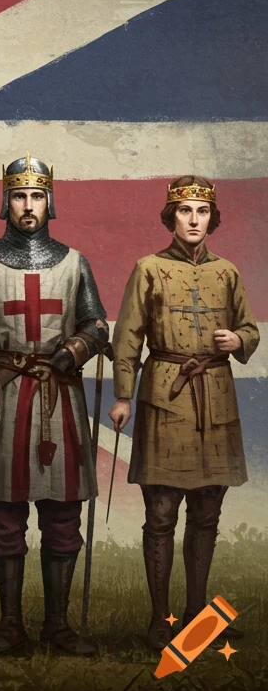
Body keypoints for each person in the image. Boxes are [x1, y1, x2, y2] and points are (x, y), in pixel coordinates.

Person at [0, 154, 106, 657]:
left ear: (49, 202)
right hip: (1, 397)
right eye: (19, 195)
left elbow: (97, 325)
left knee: (62, 514)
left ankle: (58, 625)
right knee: (4, 512)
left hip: (59, 397)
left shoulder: (74, 261)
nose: (28, 205)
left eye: (36, 196)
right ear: (5, 200)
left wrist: (76, 349)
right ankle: (9, 623)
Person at [109, 176, 258, 653]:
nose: (193, 219)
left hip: (216, 395)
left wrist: (239, 342)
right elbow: (127, 338)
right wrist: (124, 396)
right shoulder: (148, 269)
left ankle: (197, 618)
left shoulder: (228, 272)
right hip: (165, 396)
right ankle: (159, 620)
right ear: (170, 217)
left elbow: (250, 328)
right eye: (184, 210)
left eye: (201, 211)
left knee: (208, 512)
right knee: (161, 512)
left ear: (212, 218)